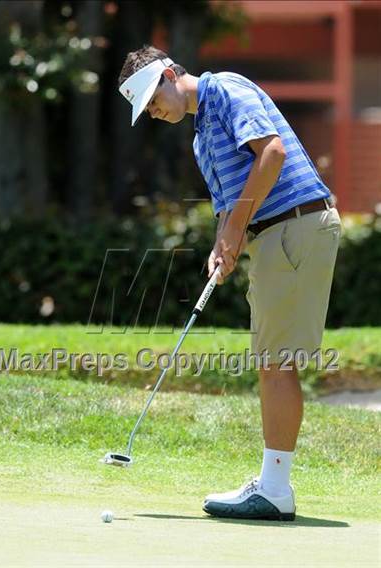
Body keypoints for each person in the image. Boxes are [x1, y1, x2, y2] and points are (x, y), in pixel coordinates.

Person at [118, 45, 341, 521]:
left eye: (154, 100)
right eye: (147, 110)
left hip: (293, 225)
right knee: (271, 360)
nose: (154, 113)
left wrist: (237, 227)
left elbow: (272, 153)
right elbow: (231, 203)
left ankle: (276, 490)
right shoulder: (201, 136)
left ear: (171, 74)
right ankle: (273, 483)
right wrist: (226, 242)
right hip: (276, 234)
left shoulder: (225, 89)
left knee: (276, 362)